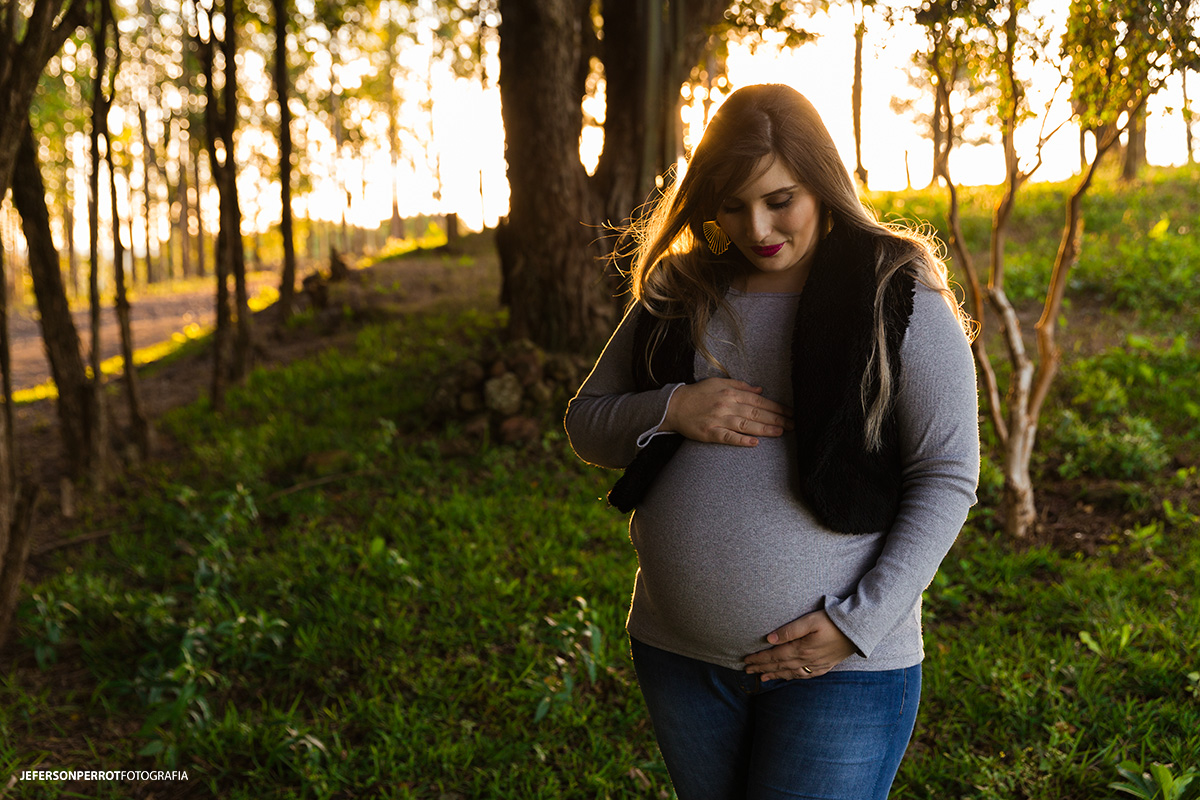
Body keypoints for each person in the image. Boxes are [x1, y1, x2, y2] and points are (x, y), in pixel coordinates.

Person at [564, 83, 980, 800]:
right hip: (680, 656)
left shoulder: (896, 290)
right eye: (733, 204)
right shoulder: (680, 290)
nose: (757, 226)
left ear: (821, 181)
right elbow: (587, 422)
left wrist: (859, 625)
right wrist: (675, 407)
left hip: (843, 668)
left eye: (779, 199)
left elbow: (946, 475)